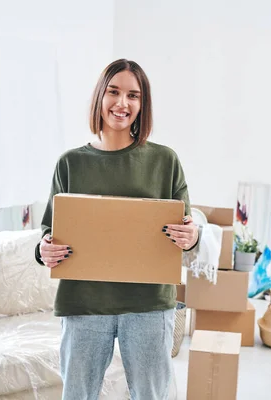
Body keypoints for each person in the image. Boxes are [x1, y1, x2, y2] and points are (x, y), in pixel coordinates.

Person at [34, 59, 199, 400]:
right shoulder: (70, 163)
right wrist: (43, 250)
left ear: (142, 105)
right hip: (84, 303)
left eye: (133, 96)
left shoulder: (164, 161)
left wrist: (192, 236)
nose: (122, 104)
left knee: (152, 396)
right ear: (100, 97)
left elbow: (188, 231)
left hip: (149, 305)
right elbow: (48, 232)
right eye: (114, 92)